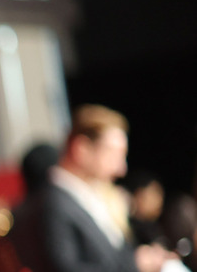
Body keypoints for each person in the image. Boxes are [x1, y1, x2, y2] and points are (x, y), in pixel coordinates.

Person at [29, 104, 175, 272]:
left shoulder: (87, 195)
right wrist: (133, 265)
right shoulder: (53, 204)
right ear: (81, 149)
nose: (122, 169)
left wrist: (140, 257)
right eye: (114, 154)